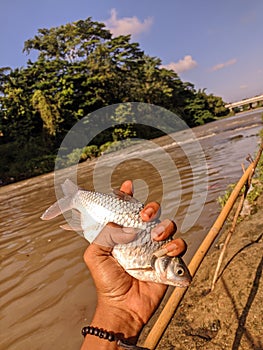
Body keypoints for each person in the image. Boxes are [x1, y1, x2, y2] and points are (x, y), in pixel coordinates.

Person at [81, 180, 187, 349]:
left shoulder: (155, 271)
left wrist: (120, 313)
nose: (183, 281)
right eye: (179, 272)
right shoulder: (154, 267)